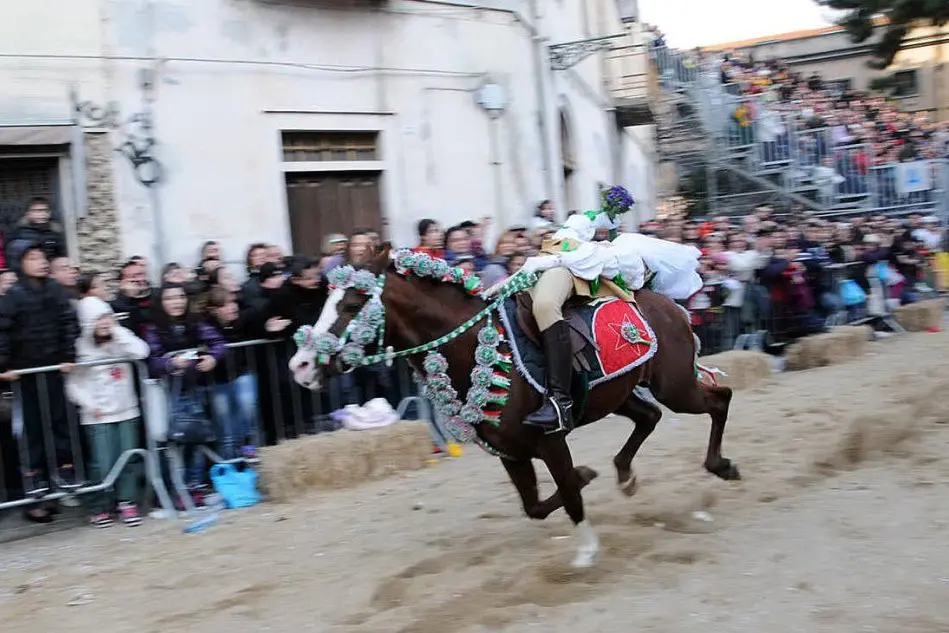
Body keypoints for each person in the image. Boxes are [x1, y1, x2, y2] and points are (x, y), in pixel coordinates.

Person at [491, 186, 702, 434]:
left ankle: (560, 402)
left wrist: (543, 263)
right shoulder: (589, 231)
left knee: (546, 306)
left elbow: (597, 265)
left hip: (564, 270)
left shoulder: (624, 256)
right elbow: (578, 229)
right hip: (554, 262)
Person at [66, 292, 149, 528]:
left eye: (106, 317)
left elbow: (141, 351)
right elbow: (73, 384)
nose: (103, 323)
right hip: (98, 415)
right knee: (102, 463)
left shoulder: (121, 338)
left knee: (129, 458)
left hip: (126, 409)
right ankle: (99, 505)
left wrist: (118, 331)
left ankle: (127, 501)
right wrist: (90, 405)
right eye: (98, 319)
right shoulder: (81, 347)